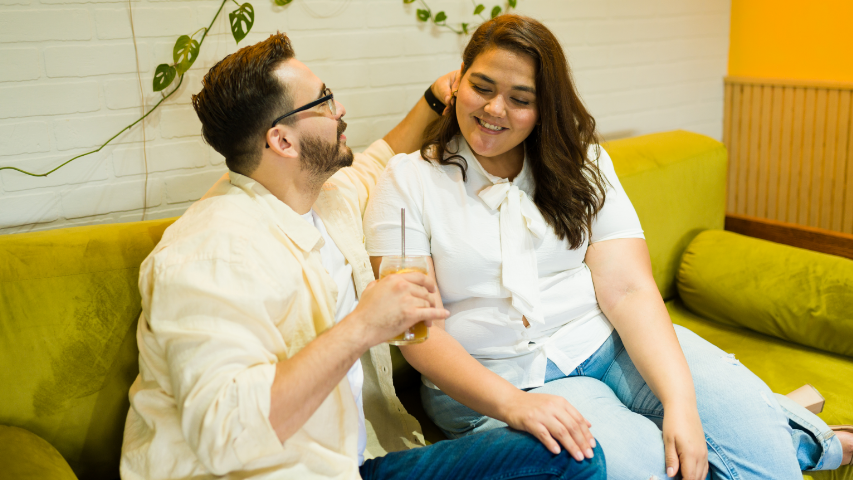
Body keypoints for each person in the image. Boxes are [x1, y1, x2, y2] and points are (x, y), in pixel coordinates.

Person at [363, 14, 853, 480]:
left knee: (760, 453)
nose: (494, 109)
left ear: (544, 107)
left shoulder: (582, 163)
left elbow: (630, 291)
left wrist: (683, 405)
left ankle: (779, 433)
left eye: (520, 98)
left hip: (607, 341)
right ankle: (809, 435)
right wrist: (516, 405)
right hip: (500, 379)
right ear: (458, 81)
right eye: (482, 87)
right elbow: (417, 335)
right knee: (650, 469)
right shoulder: (407, 182)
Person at [119, 32, 606, 480]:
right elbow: (226, 438)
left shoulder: (327, 199)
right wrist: (362, 327)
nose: (341, 108)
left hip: (364, 461)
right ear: (282, 140)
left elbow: (380, 155)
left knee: (568, 455)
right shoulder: (207, 255)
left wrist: (439, 97)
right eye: (324, 101)